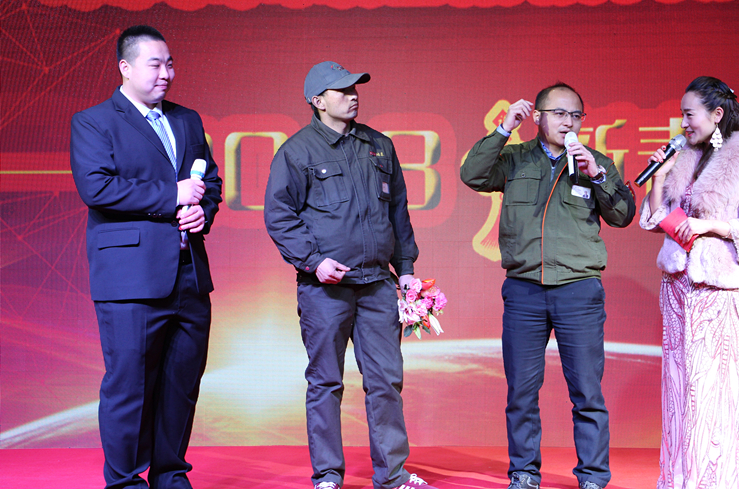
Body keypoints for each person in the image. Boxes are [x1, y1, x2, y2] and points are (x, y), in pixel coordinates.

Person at [264, 61, 438, 489]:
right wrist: (313, 261)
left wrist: (407, 270)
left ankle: (392, 475)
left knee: (386, 382)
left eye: (355, 88)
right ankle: (327, 475)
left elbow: (398, 213)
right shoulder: (297, 152)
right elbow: (279, 215)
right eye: (342, 91)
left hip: (378, 284)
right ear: (318, 101)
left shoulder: (379, 146)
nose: (353, 95)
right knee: (325, 381)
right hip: (325, 289)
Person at [461, 83, 635, 489]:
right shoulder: (515, 157)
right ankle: (524, 472)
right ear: (538, 117)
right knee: (521, 391)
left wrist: (597, 175)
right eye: (559, 114)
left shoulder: (595, 161)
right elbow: (473, 174)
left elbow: (623, 215)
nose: (568, 122)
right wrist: (504, 128)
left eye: (576, 115)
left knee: (587, 392)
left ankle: (592, 476)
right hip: (525, 291)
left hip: (578, 290)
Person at [70, 25, 222, 489]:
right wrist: (172, 195)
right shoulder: (95, 121)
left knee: (181, 384)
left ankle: (171, 475)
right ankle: (125, 482)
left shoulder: (187, 119)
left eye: (170, 64)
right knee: (129, 386)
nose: (166, 74)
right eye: (155, 64)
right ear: (125, 67)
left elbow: (210, 182)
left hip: (188, 275)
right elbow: (97, 187)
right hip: (130, 280)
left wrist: (202, 211)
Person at [639, 76, 739, 489]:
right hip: (678, 291)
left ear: (717, 114)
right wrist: (660, 178)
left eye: (689, 115)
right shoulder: (685, 159)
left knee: (715, 395)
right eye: (681, 115)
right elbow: (657, 219)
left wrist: (710, 226)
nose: (683, 123)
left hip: (719, 295)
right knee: (679, 392)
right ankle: (678, 481)